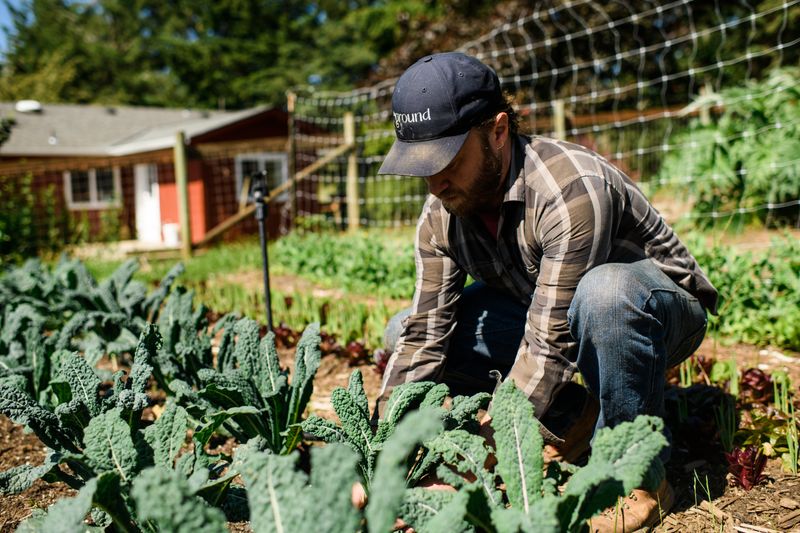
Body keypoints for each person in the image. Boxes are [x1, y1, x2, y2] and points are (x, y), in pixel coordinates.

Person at [375, 51, 718, 532]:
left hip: (651, 311)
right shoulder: (441, 215)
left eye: (447, 159)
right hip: (544, 309)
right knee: (400, 332)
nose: (434, 182)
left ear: (497, 131)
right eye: (421, 164)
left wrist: (475, 465)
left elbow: (550, 344)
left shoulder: (568, 187)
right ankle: (573, 416)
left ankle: (636, 473)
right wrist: (383, 465)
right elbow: (422, 339)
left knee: (606, 294)